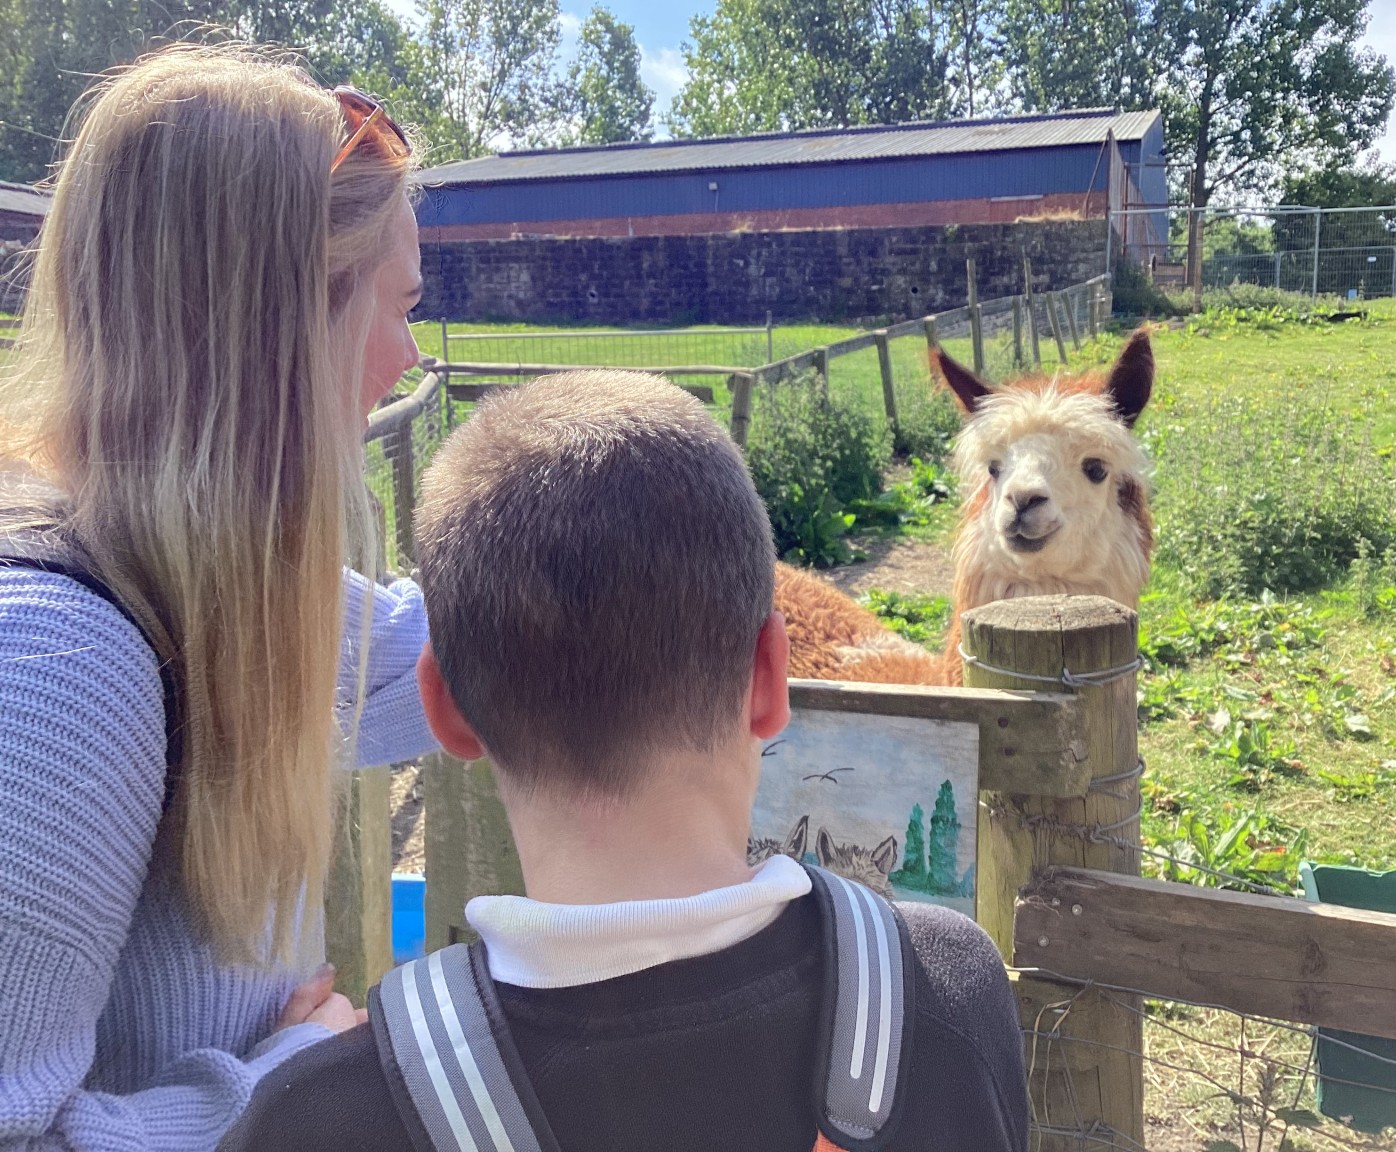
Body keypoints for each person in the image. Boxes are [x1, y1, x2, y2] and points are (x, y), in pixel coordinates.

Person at [224, 370, 1031, 1151]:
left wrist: (294, 1079)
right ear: (769, 679)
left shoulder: (321, 1118)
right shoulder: (947, 995)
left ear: (443, 711)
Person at [0, 45, 439, 1150]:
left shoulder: (199, 578)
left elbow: (440, 658)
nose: (408, 354)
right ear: (283, 328)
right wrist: (280, 1087)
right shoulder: (57, 674)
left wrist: (688, 589)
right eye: (398, 307)